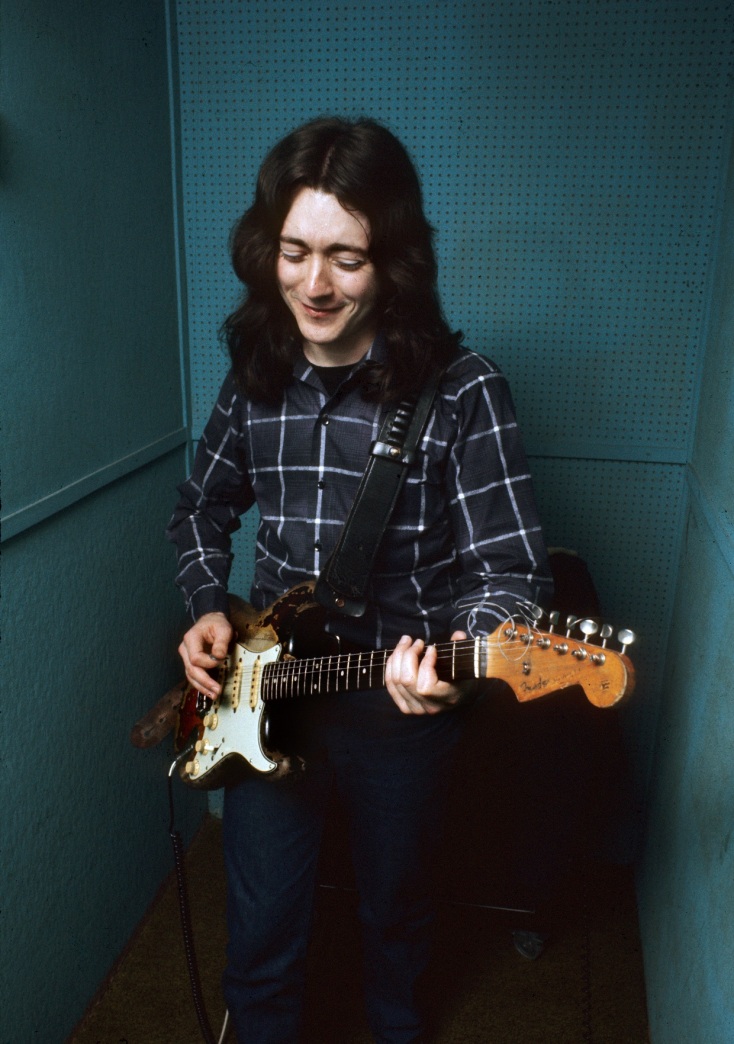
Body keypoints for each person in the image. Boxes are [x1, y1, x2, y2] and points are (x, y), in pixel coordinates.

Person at [167, 116, 553, 1044]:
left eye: (346, 258)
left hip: (397, 707)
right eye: (294, 252)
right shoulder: (252, 378)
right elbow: (200, 509)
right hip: (269, 695)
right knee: (261, 935)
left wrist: (457, 658)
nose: (315, 285)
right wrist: (207, 607)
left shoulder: (464, 390)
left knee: (397, 921)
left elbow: (509, 571)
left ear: (394, 263)